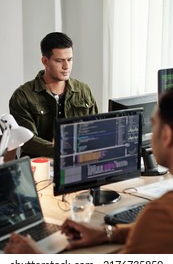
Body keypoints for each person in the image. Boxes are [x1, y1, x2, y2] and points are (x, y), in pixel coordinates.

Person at [4, 87, 173, 253]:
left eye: (153, 125)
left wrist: (35, 257)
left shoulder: (160, 213)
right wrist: (107, 233)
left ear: (166, 135)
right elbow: (150, 233)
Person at [9, 32, 98, 158]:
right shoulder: (23, 96)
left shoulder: (83, 90)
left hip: (79, 161)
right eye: (59, 61)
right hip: (39, 166)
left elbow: (95, 128)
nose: (66, 66)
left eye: (70, 60)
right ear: (45, 61)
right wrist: (62, 151)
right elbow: (28, 141)